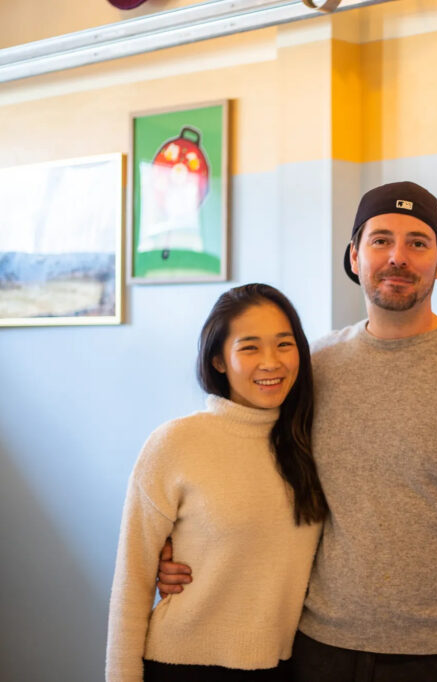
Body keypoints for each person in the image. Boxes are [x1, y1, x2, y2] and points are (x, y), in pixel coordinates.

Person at [160, 182, 437, 682]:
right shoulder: (314, 366)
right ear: (354, 255)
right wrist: (182, 549)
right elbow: (248, 463)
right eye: (381, 240)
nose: (398, 257)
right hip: (320, 650)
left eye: (418, 243)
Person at [106, 283, 326, 682]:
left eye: (284, 344)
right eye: (249, 348)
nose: (271, 362)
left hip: (284, 667)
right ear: (219, 361)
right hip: (182, 664)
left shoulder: (308, 444)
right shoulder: (175, 443)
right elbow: (132, 582)